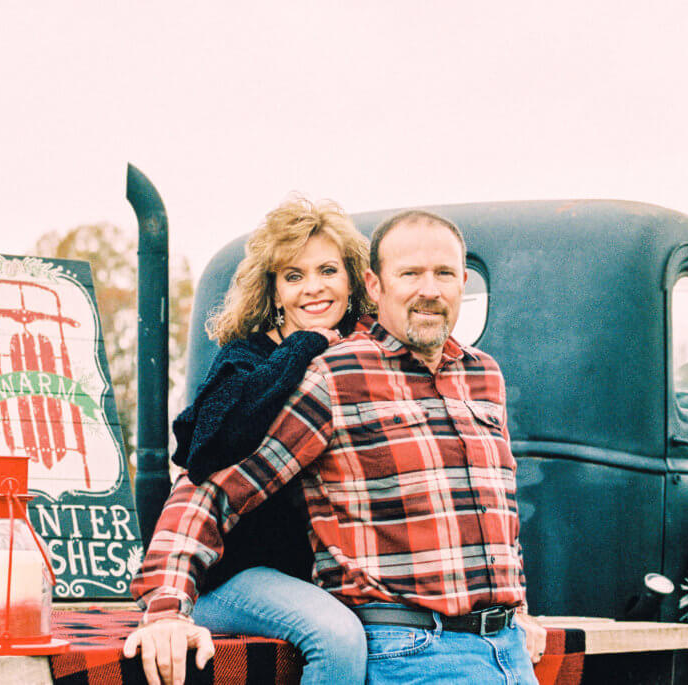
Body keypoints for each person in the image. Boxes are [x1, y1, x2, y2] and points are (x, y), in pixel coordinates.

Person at [129, 209, 548, 684]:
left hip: (505, 651)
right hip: (402, 643)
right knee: (336, 636)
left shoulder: (483, 375)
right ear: (375, 286)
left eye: (444, 274)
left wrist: (515, 607)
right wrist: (166, 606)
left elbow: (494, 515)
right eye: (410, 273)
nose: (429, 289)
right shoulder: (328, 372)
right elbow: (211, 482)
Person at [124, 196, 373, 685]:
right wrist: (308, 342)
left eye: (327, 270)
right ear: (274, 291)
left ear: (353, 281)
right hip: (233, 573)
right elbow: (207, 452)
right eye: (294, 276)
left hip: (321, 575)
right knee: (337, 637)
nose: (314, 288)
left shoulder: (363, 357)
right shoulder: (246, 357)